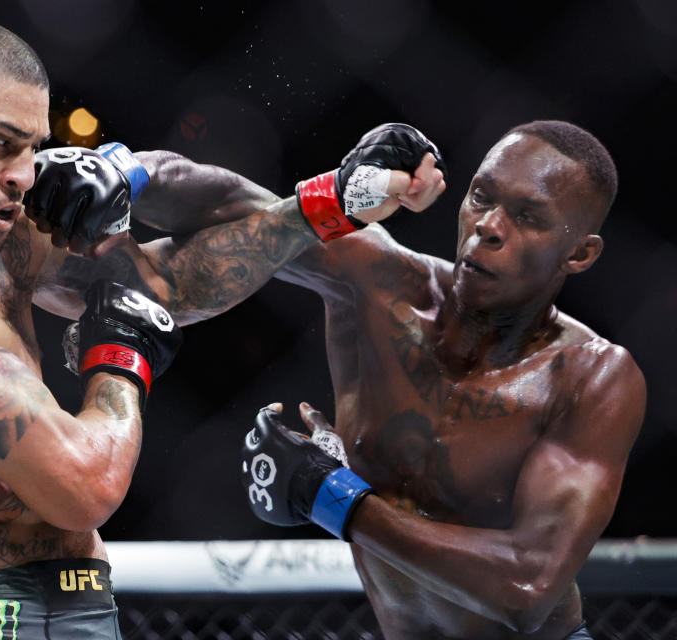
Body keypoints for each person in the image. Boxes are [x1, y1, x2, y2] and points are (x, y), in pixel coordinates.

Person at [0, 18, 436, 640]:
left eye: (32, 147)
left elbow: (167, 285)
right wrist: (119, 354)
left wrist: (326, 204)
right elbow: (84, 487)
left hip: (84, 610)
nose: (24, 174)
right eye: (1, 143)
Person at [132, 121, 646, 638]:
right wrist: (125, 172)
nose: (488, 225)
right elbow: (233, 204)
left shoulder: (593, 376)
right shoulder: (380, 284)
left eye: (527, 216)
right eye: (480, 197)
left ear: (579, 254)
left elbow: (528, 588)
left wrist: (327, 495)